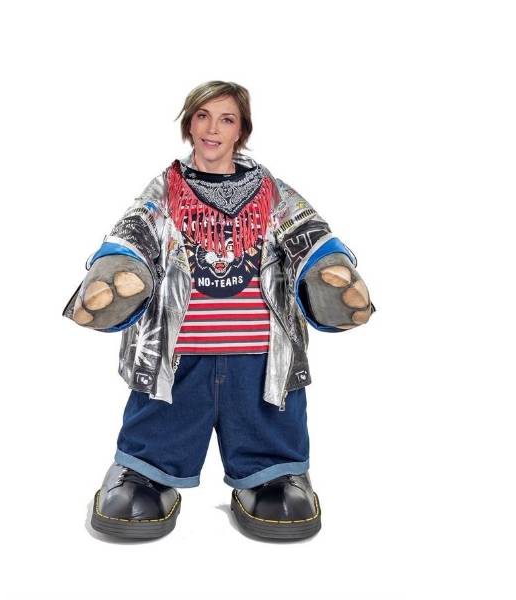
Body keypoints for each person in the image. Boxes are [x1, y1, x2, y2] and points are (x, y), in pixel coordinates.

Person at [63, 81, 375, 541]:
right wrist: (121, 269)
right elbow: (136, 230)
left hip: (259, 353)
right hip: (180, 350)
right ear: (189, 124)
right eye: (203, 116)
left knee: (269, 416)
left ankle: (274, 473)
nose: (213, 129)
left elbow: (307, 232)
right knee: (160, 416)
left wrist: (326, 269)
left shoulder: (271, 191)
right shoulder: (166, 189)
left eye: (226, 119)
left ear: (240, 130)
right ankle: (145, 472)